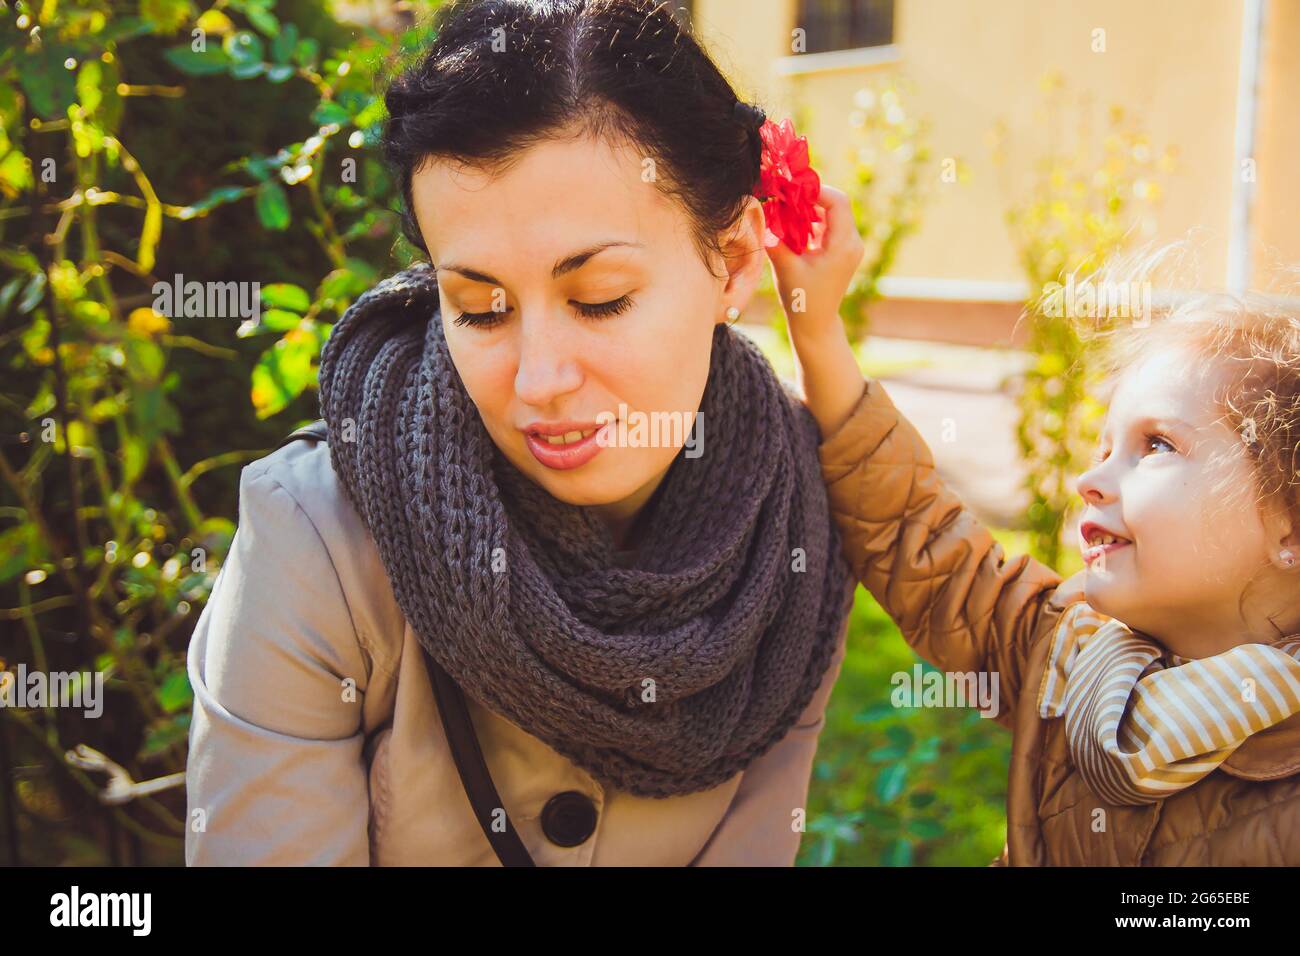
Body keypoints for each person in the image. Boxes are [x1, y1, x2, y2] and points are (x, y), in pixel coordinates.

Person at [184, 0, 862, 866]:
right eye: (479, 307)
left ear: (731, 263)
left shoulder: (792, 538)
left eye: (601, 298)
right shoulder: (316, 543)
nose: (540, 382)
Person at [789, 238, 1300, 864]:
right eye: (1105, 447)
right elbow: (924, 544)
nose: (1091, 480)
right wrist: (817, 332)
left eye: (1158, 445)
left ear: (1290, 532)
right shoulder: (1067, 649)